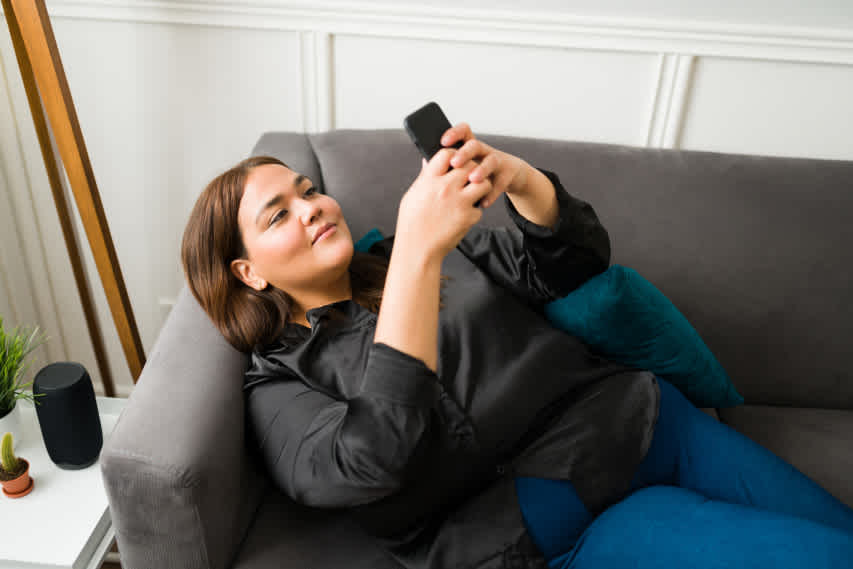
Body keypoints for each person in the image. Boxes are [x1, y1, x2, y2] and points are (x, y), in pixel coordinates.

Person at [181, 123, 853, 569]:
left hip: (654, 421)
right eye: (279, 214)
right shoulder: (277, 387)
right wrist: (418, 251)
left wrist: (521, 180)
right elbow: (371, 459)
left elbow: (570, 266)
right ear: (249, 272)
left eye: (308, 191)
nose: (314, 208)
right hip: (563, 516)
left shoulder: (410, 253)